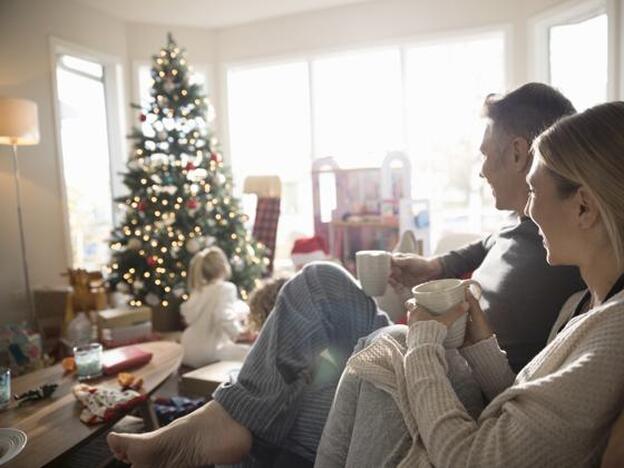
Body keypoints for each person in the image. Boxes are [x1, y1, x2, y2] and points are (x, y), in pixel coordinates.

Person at [106, 83, 583, 467]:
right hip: (425, 353)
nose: (480, 169)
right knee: (316, 312)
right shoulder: (521, 224)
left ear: (520, 152)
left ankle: (222, 423)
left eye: (486, 153)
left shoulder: (573, 233)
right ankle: (226, 424)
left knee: (306, 327)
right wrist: (434, 266)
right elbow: (481, 247)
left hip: (448, 381)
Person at [318, 101, 624, 467]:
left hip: (464, 448)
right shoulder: (581, 304)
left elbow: (472, 459)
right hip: (480, 411)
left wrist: (423, 346)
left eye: (534, 193)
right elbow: (527, 413)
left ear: (583, 209)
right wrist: (481, 346)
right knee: (384, 341)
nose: (527, 211)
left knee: (386, 340)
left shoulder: (611, 340)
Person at [180, 247, 251, 367]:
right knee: (251, 354)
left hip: (186, 349)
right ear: (223, 267)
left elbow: (188, 317)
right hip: (209, 352)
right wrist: (239, 332)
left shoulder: (198, 290)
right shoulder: (226, 288)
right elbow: (223, 316)